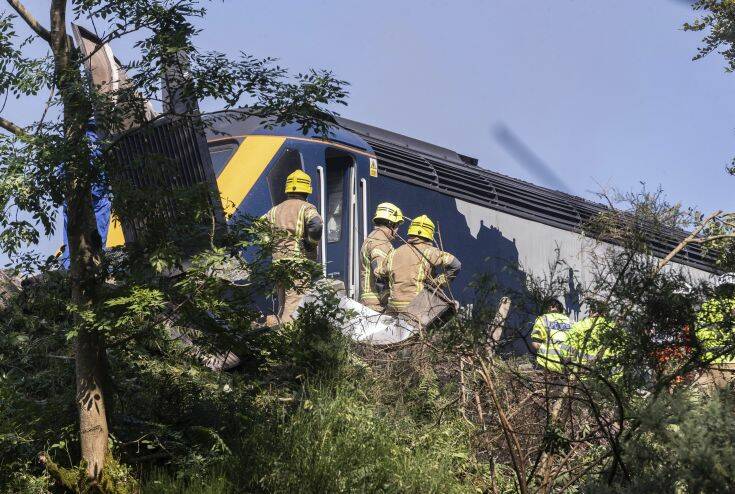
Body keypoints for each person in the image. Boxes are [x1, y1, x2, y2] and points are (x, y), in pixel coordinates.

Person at [262, 169, 323, 323]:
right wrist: (310, 243)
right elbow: (316, 225)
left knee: (283, 303)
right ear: (307, 190)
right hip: (297, 262)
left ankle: (276, 333)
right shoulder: (306, 208)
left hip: (278, 262)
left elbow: (259, 226)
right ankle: (288, 339)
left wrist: (269, 243)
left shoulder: (275, 210)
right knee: (294, 303)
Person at [379, 214, 461, 316]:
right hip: (416, 308)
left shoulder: (394, 253)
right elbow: (456, 265)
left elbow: (381, 276)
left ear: (411, 231)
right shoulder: (431, 252)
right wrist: (437, 283)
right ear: (429, 234)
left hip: (393, 308)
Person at [359, 202, 403, 312]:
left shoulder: (373, 238)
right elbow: (380, 274)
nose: (397, 231)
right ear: (390, 224)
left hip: (372, 303)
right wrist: (390, 302)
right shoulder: (380, 242)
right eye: (397, 226)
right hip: (377, 305)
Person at [695, 273, 735, 389]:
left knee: (717, 403)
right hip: (730, 361)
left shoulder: (706, 307)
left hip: (711, 362)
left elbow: (698, 334)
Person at [530, 298, 573, 374]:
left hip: (547, 364)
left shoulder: (543, 319)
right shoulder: (569, 321)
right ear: (560, 309)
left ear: (548, 308)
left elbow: (535, 343)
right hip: (565, 364)